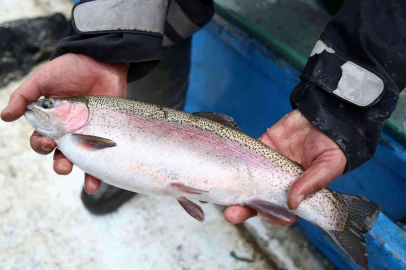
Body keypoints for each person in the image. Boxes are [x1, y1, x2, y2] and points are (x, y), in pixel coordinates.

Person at [1, 0, 405, 227]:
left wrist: (340, 106)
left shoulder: (82, 133)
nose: (41, 108)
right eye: (47, 106)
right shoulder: (81, 130)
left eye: (50, 104)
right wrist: (103, 44)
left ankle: (340, 216)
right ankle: (129, 178)